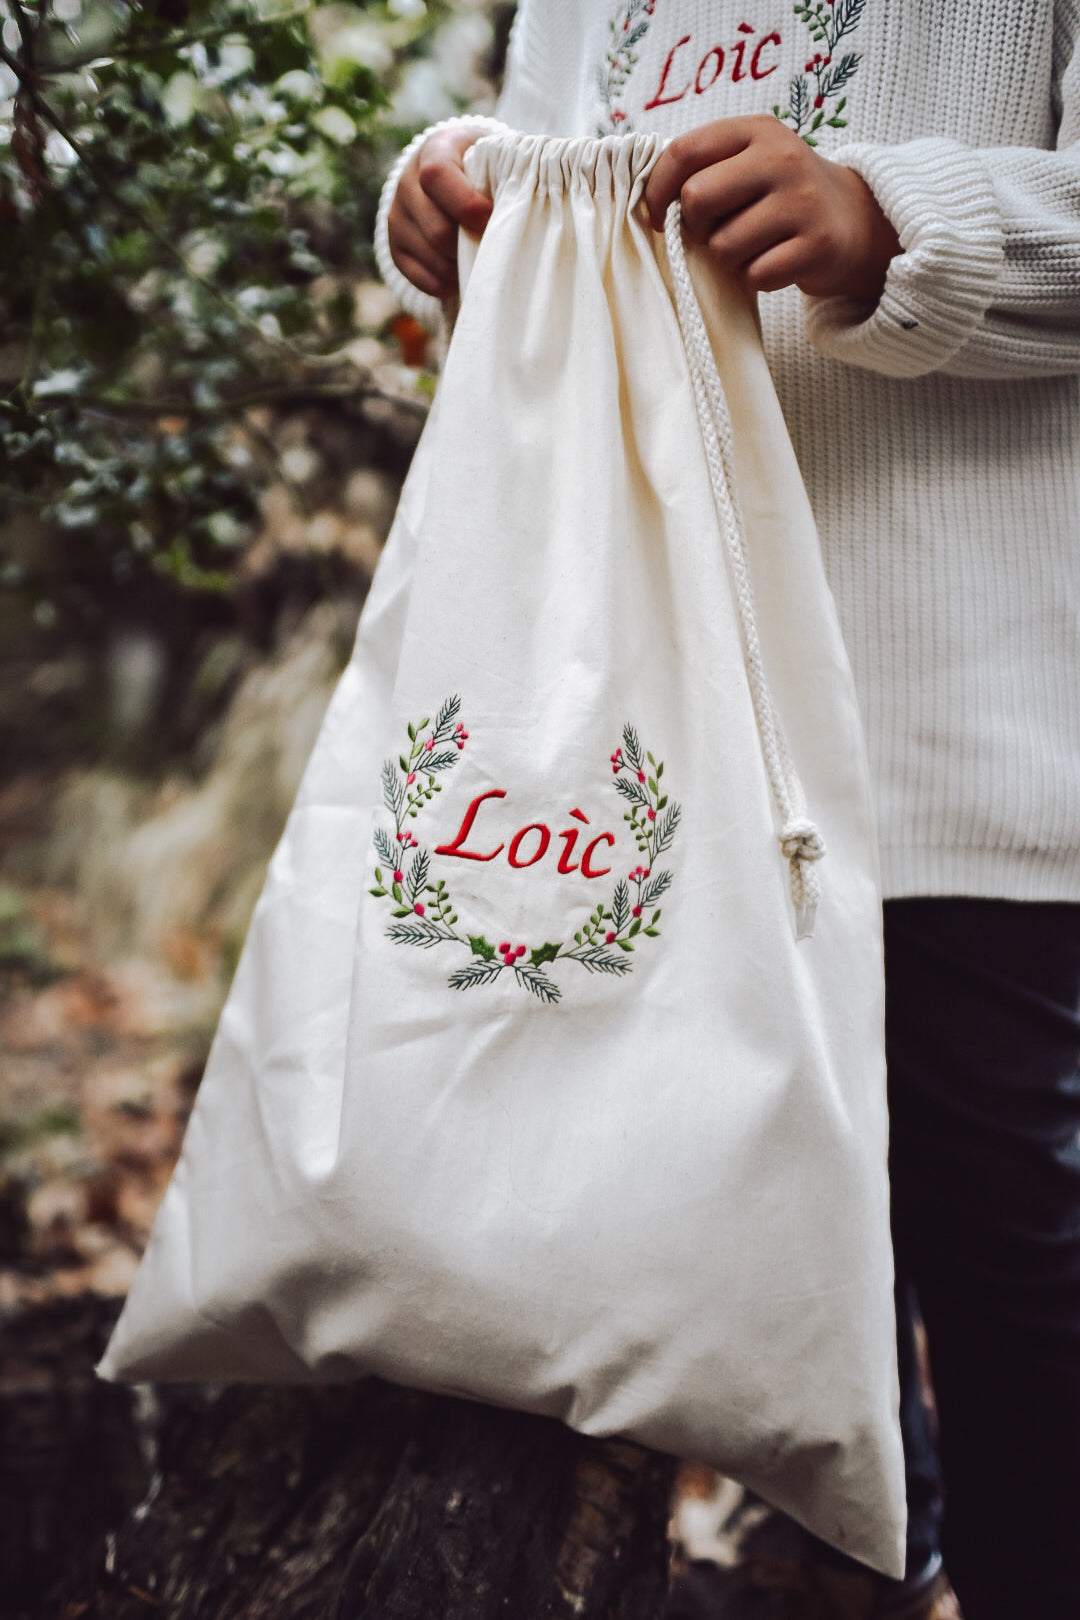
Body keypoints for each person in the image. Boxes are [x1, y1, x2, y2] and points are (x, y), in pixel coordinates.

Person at [375, 5, 1080, 1618]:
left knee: (998, 1240)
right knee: (733, 1226)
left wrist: (886, 218)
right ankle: (858, 1564)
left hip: (951, 731)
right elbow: (540, 180)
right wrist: (439, 200)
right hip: (646, 735)